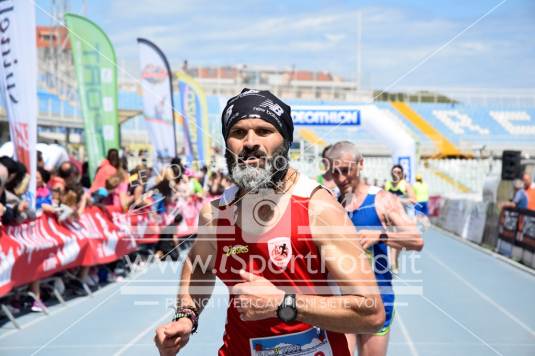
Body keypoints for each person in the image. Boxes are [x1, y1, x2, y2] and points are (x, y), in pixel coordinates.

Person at [154, 88, 385, 355]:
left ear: (285, 141)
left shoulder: (318, 209)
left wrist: (283, 304)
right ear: (228, 144)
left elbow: (371, 313)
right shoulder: (217, 215)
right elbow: (199, 266)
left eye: (264, 131)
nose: (250, 142)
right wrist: (186, 315)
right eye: (238, 132)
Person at [326, 141, 423, 356]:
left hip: (377, 298)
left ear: (361, 164)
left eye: (346, 170)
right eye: (335, 172)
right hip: (340, 300)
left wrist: (380, 235)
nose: (341, 179)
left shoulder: (382, 200)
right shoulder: (328, 200)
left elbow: (416, 240)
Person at [384, 164, 416, 272]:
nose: (396, 174)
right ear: (391, 173)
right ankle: (393, 263)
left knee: (399, 241)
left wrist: (399, 200)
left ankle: (395, 260)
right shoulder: (387, 184)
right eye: (394, 172)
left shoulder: (405, 185)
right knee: (392, 239)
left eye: (398, 172)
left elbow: (413, 200)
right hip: (389, 215)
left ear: (402, 174)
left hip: (402, 215)